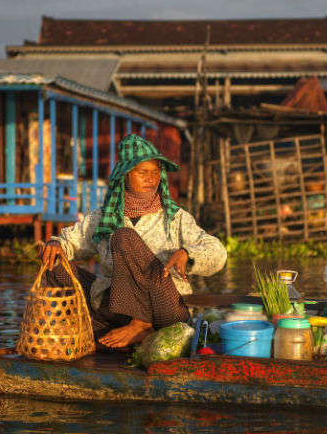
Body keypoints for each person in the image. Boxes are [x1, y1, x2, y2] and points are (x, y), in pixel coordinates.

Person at [40, 134, 227, 349]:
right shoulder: (103, 217)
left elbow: (218, 252)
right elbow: (71, 241)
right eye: (143, 172)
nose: (151, 179)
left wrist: (187, 253)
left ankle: (142, 326)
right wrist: (56, 245)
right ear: (126, 175)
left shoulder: (176, 218)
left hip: (166, 309)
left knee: (123, 237)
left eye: (156, 173)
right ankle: (121, 330)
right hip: (120, 310)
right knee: (55, 267)